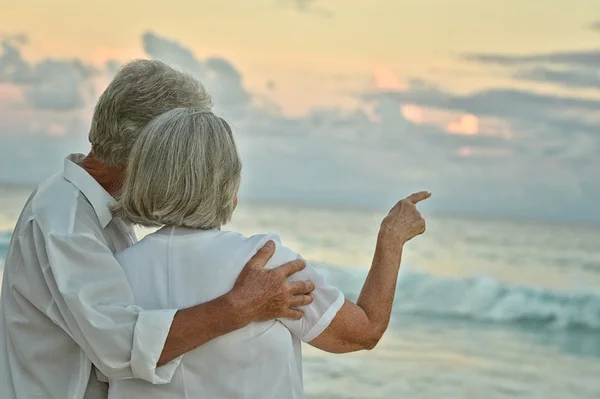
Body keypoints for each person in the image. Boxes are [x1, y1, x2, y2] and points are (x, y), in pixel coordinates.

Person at [0, 60, 316, 399]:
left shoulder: (99, 210)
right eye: (182, 151)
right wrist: (241, 306)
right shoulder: (63, 217)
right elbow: (122, 346)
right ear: (146, 150)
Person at [107, 107, 430, 398]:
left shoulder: (114, 271)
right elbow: (364, 332)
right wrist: (391, 238)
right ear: (226, 182)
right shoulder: (264, 264)